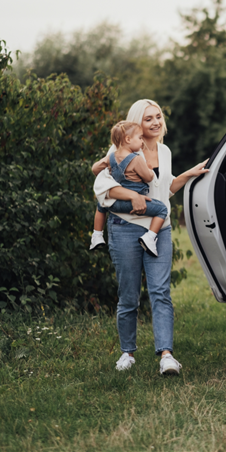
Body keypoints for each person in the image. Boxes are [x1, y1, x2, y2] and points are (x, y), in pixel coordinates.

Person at [92, 99, 209, 375]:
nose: (156, 122)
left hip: (160, 229)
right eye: (148, 119)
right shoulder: (120, 150)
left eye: (158, 116)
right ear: (137, 124)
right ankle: (127, 353)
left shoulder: (165, 151)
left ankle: (166, 355)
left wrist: (188, 175)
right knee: (128, 295)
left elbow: (163, 189)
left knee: (160, 292)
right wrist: (133, 195)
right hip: (125, 227)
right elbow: (101, 186)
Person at [91, 121, 168, 257]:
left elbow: (95, 169)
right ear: (127, 139)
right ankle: (150, 237)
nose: (142, 142)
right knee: (162, 210)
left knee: (101, 204)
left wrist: (107, 168)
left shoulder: (111, 157)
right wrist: (149, 169)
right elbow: (149, 178)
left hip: (114, 204)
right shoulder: (137, 160)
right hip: (133, 204)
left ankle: (97, 235)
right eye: (139, 138)